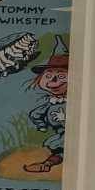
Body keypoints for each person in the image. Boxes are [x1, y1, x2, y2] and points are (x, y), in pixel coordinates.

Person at [25, 34, 69, 173]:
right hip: (61, 135)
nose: (53, 81)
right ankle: (47, 164)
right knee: (60, 152)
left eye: (61, 76)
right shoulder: (51, 103)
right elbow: (35, 114)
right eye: (48, 76)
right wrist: (41, 126)